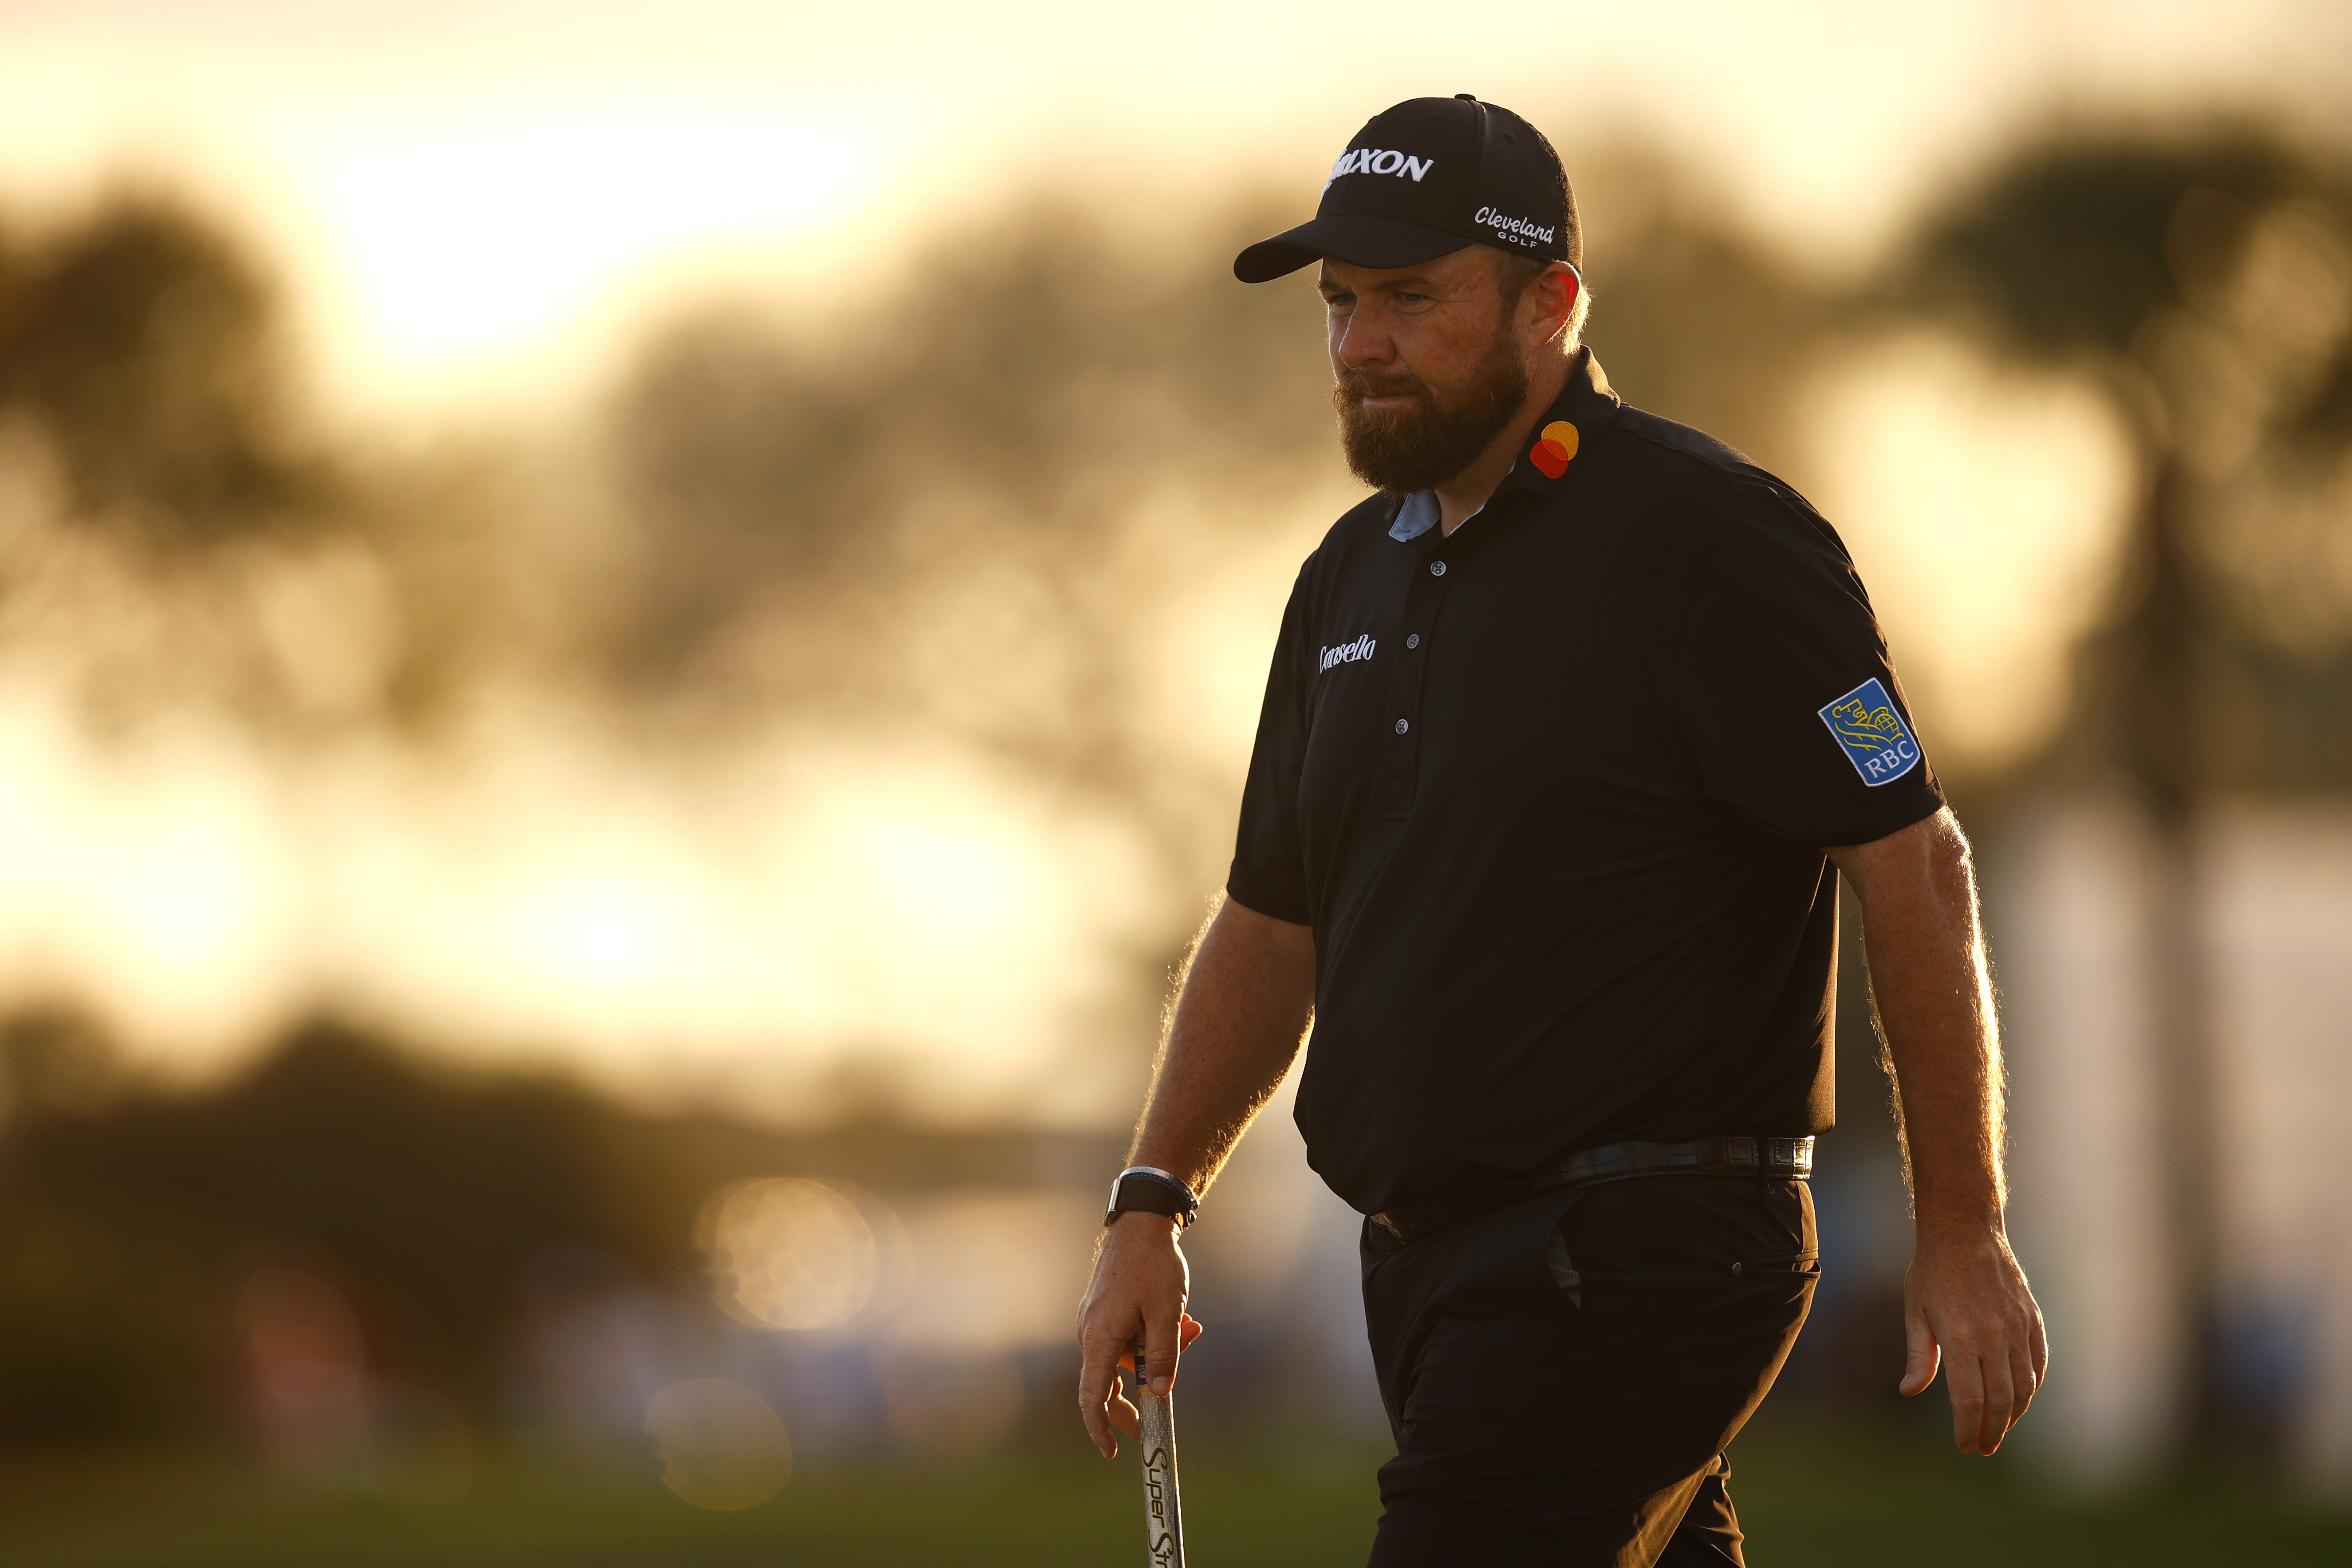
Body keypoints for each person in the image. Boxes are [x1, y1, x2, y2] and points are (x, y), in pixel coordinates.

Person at [1075, 94, 2047, 1566]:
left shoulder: (1716, 539)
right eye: (1341, 304)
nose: (1359, 345)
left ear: (1552, 303)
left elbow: (1914, 860)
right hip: (1429, 1275)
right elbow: (1273, 925)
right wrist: (1150, 1205)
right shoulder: (1346, 579)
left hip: (1642, 1255)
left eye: (1411, 299)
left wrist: (1961, 1227)